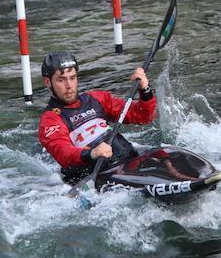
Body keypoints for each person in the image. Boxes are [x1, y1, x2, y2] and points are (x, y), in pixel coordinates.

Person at [37, 51, 157, 183]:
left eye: (72, 78)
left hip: (129, 158)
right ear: (48, 82)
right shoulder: (50, 120)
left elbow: (142, 116)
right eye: (61, 80)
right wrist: (92, 153)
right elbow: (64, 154)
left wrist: (145, 91)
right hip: (101, 174)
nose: (69, 86)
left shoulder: (96, 99)